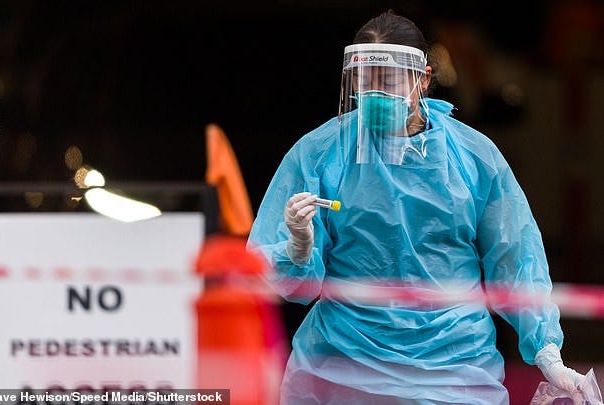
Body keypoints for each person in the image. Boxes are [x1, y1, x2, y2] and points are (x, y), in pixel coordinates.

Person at [247, 9, 584, 404]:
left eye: (388, 81)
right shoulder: (320, 153)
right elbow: (281, 282)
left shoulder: (473, 157)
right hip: (343, 368)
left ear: (423, 78)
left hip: (454, 371)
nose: (374, 93)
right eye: (364, 81)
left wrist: (547, 351)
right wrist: (297, 249)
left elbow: (516, 257)